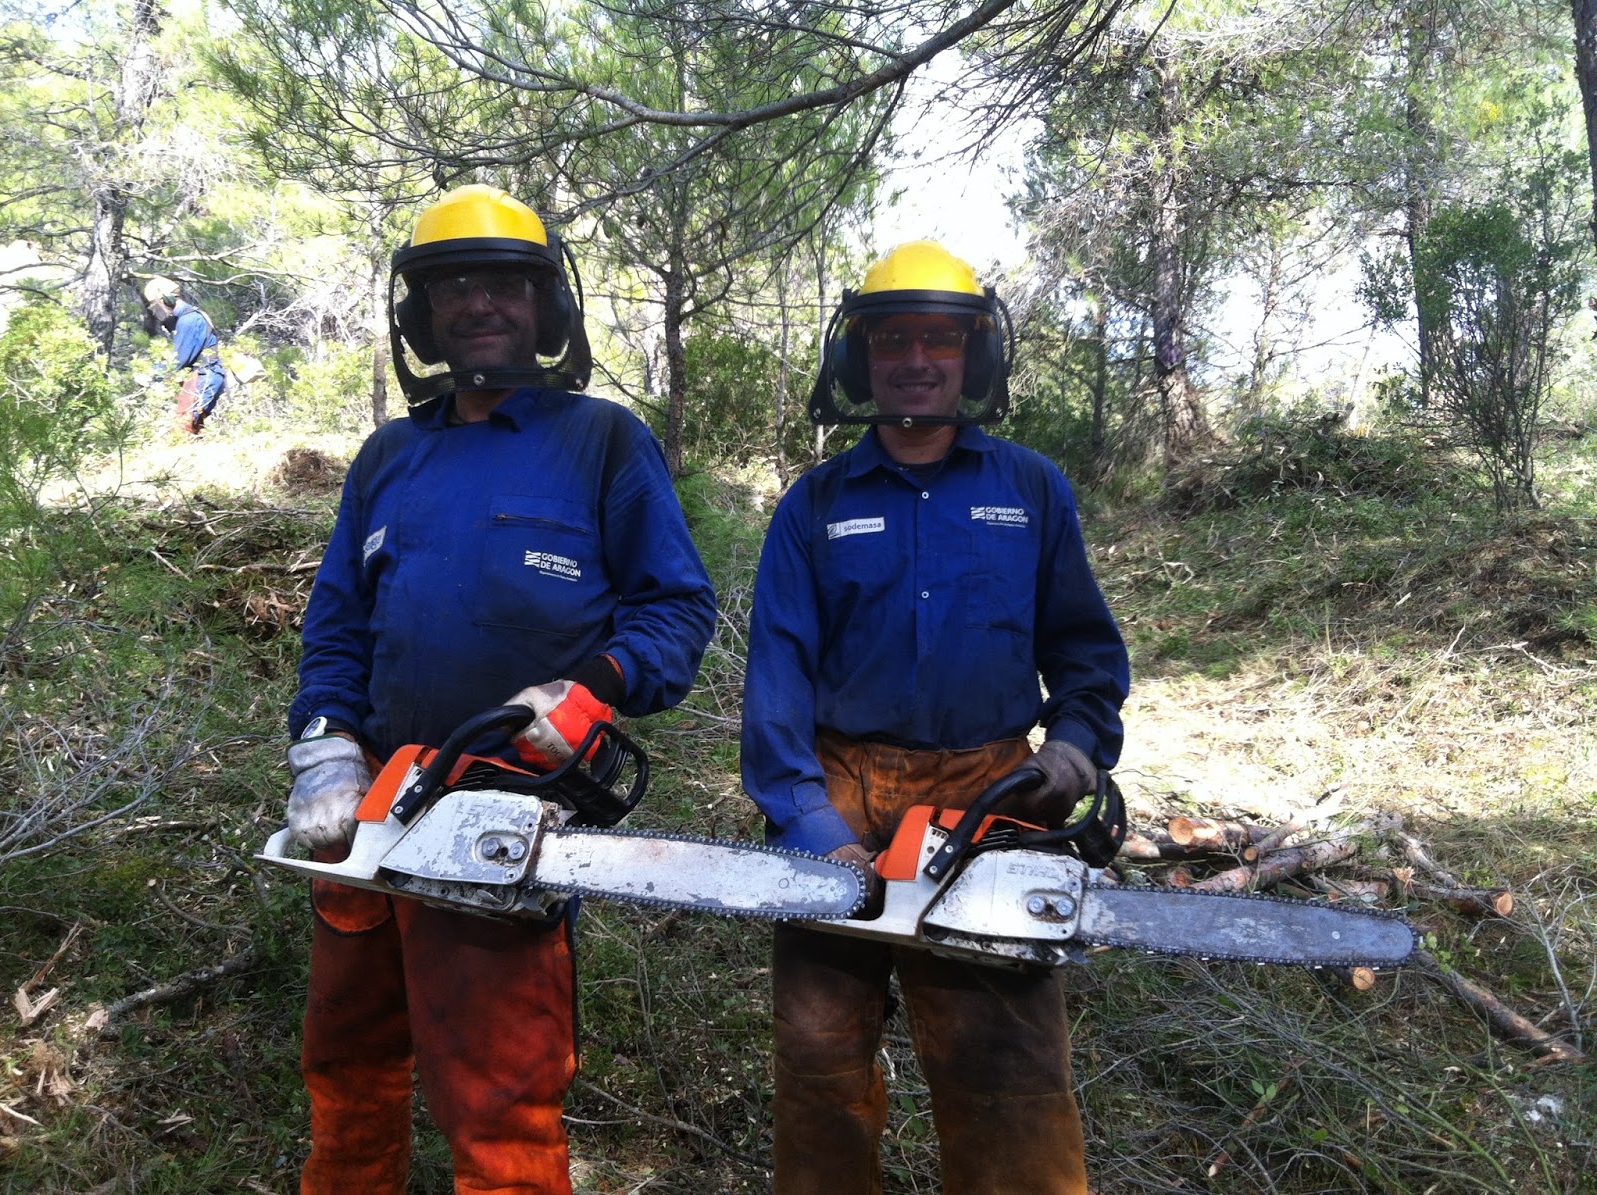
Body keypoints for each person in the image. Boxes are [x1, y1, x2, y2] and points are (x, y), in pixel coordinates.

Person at [284, 184, 717, 1194]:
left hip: (508, 797)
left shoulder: (602, 441)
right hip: (373, 800)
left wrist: (586, 689)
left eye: (505, 285)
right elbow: (338, 622)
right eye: (454, 286)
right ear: (422, 315)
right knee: (347, 1061)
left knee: (503, 1096)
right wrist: (325, 742)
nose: (480, 304)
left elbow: (675, 611)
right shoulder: (389, 455)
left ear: (546, 305)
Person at [741, 240, 1130, 1194]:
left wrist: (1075, 747)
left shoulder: (1031, 489)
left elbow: (1084, 651)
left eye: (939, 341)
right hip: (841, 782)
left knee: (1010, 1066)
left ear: (975, 357)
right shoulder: (815, 502)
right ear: (860, 358)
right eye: (894, 340)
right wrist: (810, 825)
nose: (916, 360)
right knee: (820, 1060)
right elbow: (779, 677)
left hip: (988, 789)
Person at [143, 276, 226, 434]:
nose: (155, 311)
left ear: (166, 299)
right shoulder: (190, 317)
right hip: (204, 377)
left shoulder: (189, 320)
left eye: (155, 305)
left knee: (183, 430)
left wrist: (151, 373)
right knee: (192, 430)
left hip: (203, 378)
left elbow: (179, 360)